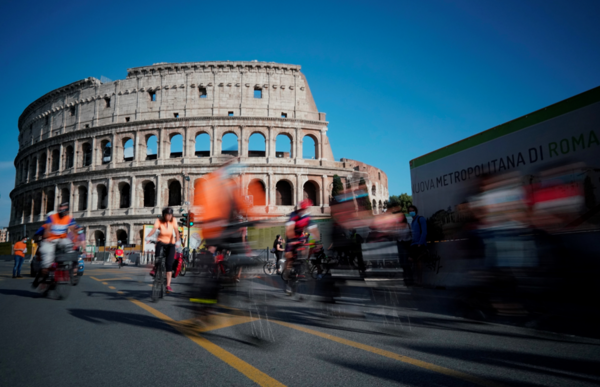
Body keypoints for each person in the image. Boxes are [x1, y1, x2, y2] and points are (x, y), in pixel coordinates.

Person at [35, 202, 77, 290]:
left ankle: (70, 269)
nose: (62, 211)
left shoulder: (69, 219)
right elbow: (47, 229)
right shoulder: (51, 218)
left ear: (67, 211)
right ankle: (42, 277)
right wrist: (46, 237)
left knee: (70, 247)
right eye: (61, 209)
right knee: (47, 261)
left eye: (64, 209)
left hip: (61, 240)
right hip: (50, 240)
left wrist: (75, 241)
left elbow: (74, 230)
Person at [145, 207, 181, 293]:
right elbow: (154, 230)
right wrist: (148, 236)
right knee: (158, 256)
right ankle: (155, 268)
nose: (169, 216)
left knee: (169, 264)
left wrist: (178, 241)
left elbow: (176, 231)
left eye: (170, 215)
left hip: (171, 244)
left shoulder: (174, 220)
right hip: (161, 242)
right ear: (163, 215)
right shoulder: (159, 221)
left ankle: (168, 285)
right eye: (167, 215)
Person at [284, 199, 320, 284]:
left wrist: (317, 242)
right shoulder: (294, 214)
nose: (304, 211)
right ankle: (287, 274)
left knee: (303, 252)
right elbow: (289, 229)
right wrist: (292, 241)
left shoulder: (308, 217)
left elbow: (314, 230)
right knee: (289, 256)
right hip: (291, 237)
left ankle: (301, 270)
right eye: (303, 209)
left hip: (300, 237)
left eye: (306, 209)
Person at [408, 205, 427, 285]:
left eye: (413, 210)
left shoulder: (420, 219)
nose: (411, 212)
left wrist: (420, 243)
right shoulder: (412, 222)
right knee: (413, 261)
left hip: (419, 245)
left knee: (418, 262)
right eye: (410, 211)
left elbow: (424, 232)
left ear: (415, 211)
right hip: (413, 245)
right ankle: (418, 279)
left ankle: (420, 280)